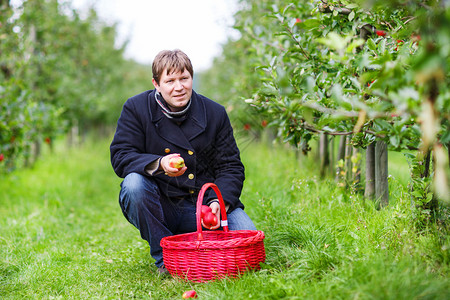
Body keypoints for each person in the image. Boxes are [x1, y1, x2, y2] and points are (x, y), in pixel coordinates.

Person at [110, 49, 256, 275]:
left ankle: (198, 242)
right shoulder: (136, 109)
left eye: (184, 78)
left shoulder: (214, 113)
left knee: (247, 241)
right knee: (133, 185)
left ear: (191, 78)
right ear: (156, 84)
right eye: (169, 80)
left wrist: (220, 202)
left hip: (204, 206)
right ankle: (165, 260)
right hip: (161, 205)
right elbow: (120, 155)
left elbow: (231, 166)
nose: (178, 87)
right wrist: (159, 164)